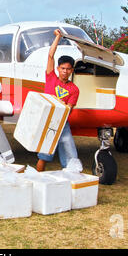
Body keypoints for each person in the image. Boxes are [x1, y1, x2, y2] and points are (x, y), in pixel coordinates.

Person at [37, 29, 80, 172]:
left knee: (70, 153)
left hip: (62, 123)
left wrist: (61, 106)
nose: (65, 71)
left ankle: (72, 178)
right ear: (58, 68)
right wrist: (58, 37)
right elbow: (50, 55)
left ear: (72, 70)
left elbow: (69, 109)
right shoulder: (51, 78)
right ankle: (36, 177)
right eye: (62, 68)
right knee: (43, 155)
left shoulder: (74, 89)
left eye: (68, 69)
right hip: (47, 120)